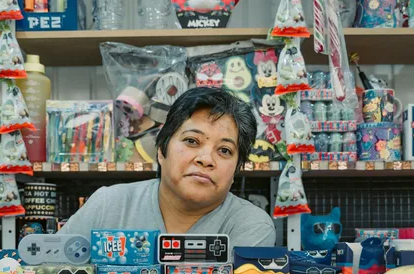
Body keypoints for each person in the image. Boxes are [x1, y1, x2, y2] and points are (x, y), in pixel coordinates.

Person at [59, 87, 276, 248]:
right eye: (192, 141)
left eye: (225, 150)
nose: (205, 159)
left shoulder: (250, 226)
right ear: (162, 151)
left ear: (236, 170)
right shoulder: (108, 206)